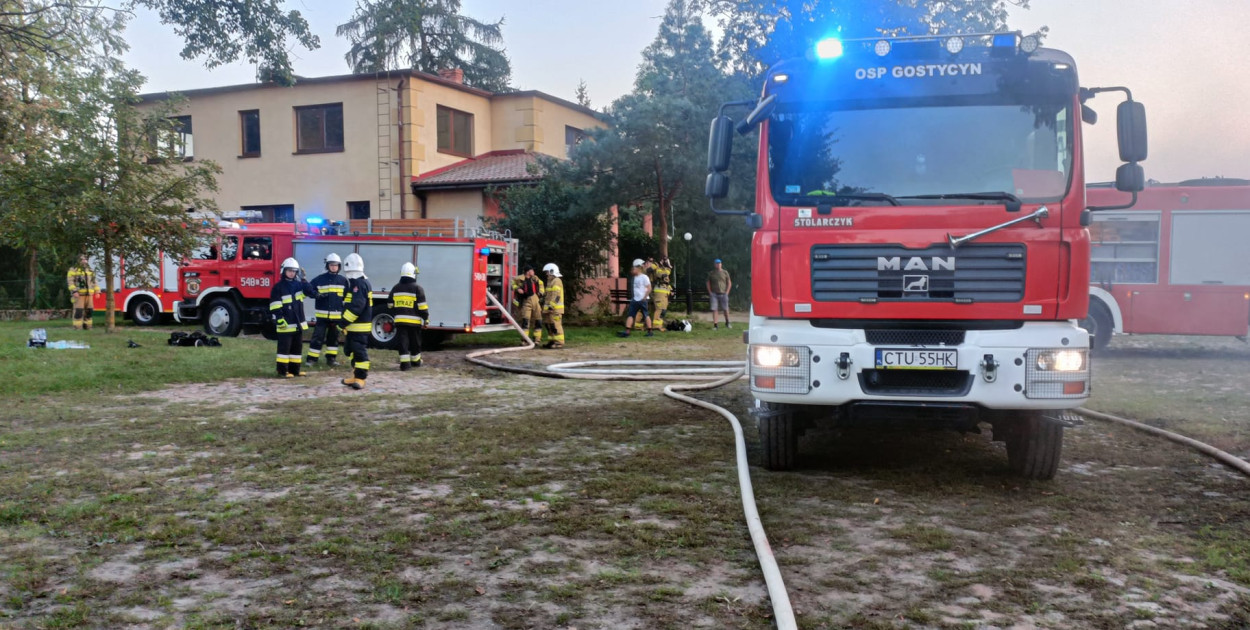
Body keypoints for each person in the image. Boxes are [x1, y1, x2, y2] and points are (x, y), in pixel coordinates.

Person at [269, 257, 317, 378]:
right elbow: (275, 304)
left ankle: (295, 370)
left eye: (294, 271)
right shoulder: (278, 287)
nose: (291, 273)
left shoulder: (299, 285)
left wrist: (304, 280)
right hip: (285, 323)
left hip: (297, 323)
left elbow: (311, 293)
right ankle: (282, 371)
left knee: (297, 349)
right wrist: (279, 318)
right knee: (284, 350)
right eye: (289, 270)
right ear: (284, 271)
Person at [307, 253, 347, 367]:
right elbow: (308, 290)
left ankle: (331, 359)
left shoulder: (343, 281)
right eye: (331, 265)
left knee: (333, 339)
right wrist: (316, 295)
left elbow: (347, 297)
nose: (334, 267)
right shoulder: (319, 279)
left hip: (336, 316)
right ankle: (312, 359)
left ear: (339, 266)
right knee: (317, 337)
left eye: (336, 265)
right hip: (322, 316)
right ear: (327, 266)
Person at [339, 253, 373, 390]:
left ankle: (361, 378)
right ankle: (355, 375)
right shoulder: (358, 283)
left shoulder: (359, 284)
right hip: (354, 327)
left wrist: (343, 322)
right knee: (351, 351)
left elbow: (356, 307)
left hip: (359, 327)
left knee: (359, 352)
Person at [389, 262, 429, 370]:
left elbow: (390, 305)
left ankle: (405, 365)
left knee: (403, 342)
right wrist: (426, 319)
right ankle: (416, 362)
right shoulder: (418, 288)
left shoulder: (395, 288)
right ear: (413, 274)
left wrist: (397, 313)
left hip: (400, 322)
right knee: (415, 342)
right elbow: (422, 307)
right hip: (414, 323)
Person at [617, 259, 654, 338]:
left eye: (634, 268)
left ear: (639, 268)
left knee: (646, 315)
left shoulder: (644, 277)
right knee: (630, 315)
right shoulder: (635, 278)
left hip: (642, 300)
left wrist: (644, 297)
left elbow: (649, 288)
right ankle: (627, 332)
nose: (633, 270)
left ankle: (650, 331)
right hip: (635, 299)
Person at [511, 265, 545, 344]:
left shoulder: (535, 278)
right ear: (528, 272)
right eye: (532, 270)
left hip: (535, 299)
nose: (533, 272)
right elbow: (512, 284)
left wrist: (540, 293)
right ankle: (524, 340)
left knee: (538, 320)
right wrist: (517, 288)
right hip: (526, 301)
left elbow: (541, 284)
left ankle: (537, 339)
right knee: (525, 320)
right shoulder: (519, 278)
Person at [66, 257, 97, 330]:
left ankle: (88, 327)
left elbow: (94, 281)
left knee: (89, 311)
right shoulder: (73, 270)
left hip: (89, 295)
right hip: (79, 295)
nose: (84, 261)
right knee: (78, 311)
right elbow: (70, 282)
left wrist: (97, 291)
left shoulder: (90, 270)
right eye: (82, 259)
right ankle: (77, 327)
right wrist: (74, 291)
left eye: (85, 259)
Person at [541, 263, 566, 349]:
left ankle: (559, 342)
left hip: (555, 309)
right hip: (549, 310)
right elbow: (548, 296)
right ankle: (552, 341)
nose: (546, 274)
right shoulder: (550, 281)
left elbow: (557, 295)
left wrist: (551, 306)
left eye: (547, 272)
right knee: (550, 326)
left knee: (556, 326)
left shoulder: (556, 281)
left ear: (552, 271)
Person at [706, 258, 733, 329]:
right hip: (714, 294)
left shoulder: (725, 272)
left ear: (721, 264)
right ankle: (715, 325)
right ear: (715, 265)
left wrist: (727, 292)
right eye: (717, 263)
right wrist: (710, 292)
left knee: (725, 309)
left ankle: (727, 322)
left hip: (723, 293)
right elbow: (708, 283)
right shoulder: (712, 273)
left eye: (719, 263)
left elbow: (729, 282)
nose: (718, 265)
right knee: (715, 309)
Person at [651, 257, 674, 330]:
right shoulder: (659, 270)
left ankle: (659, 326)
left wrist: (670, 292)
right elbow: (663, 275)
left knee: (663, 311)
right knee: (659, 310)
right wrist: (664, 264)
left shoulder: (665, 271)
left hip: (664, 295)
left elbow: (666, 282)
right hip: (659, 294)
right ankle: (656, 326)